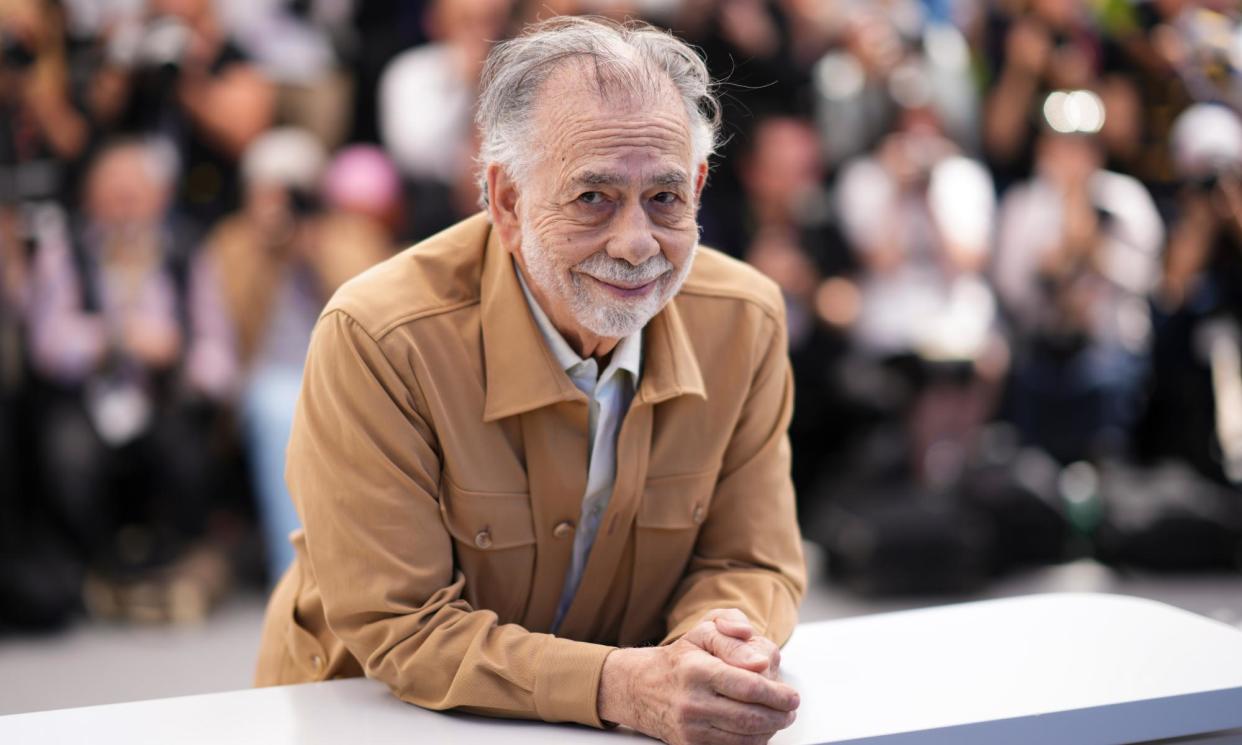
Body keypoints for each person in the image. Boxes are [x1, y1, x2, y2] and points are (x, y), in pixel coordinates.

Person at [255, 17, 806, 745]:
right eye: (593, 198)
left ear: (700, 186)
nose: (637, 242)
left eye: (666, 198)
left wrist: (715, 642)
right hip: (375, 716)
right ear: (506, 202)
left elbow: (749, 558)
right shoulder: (380, 338)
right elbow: (403, 626)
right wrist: (623, 686)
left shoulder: (746, 319)